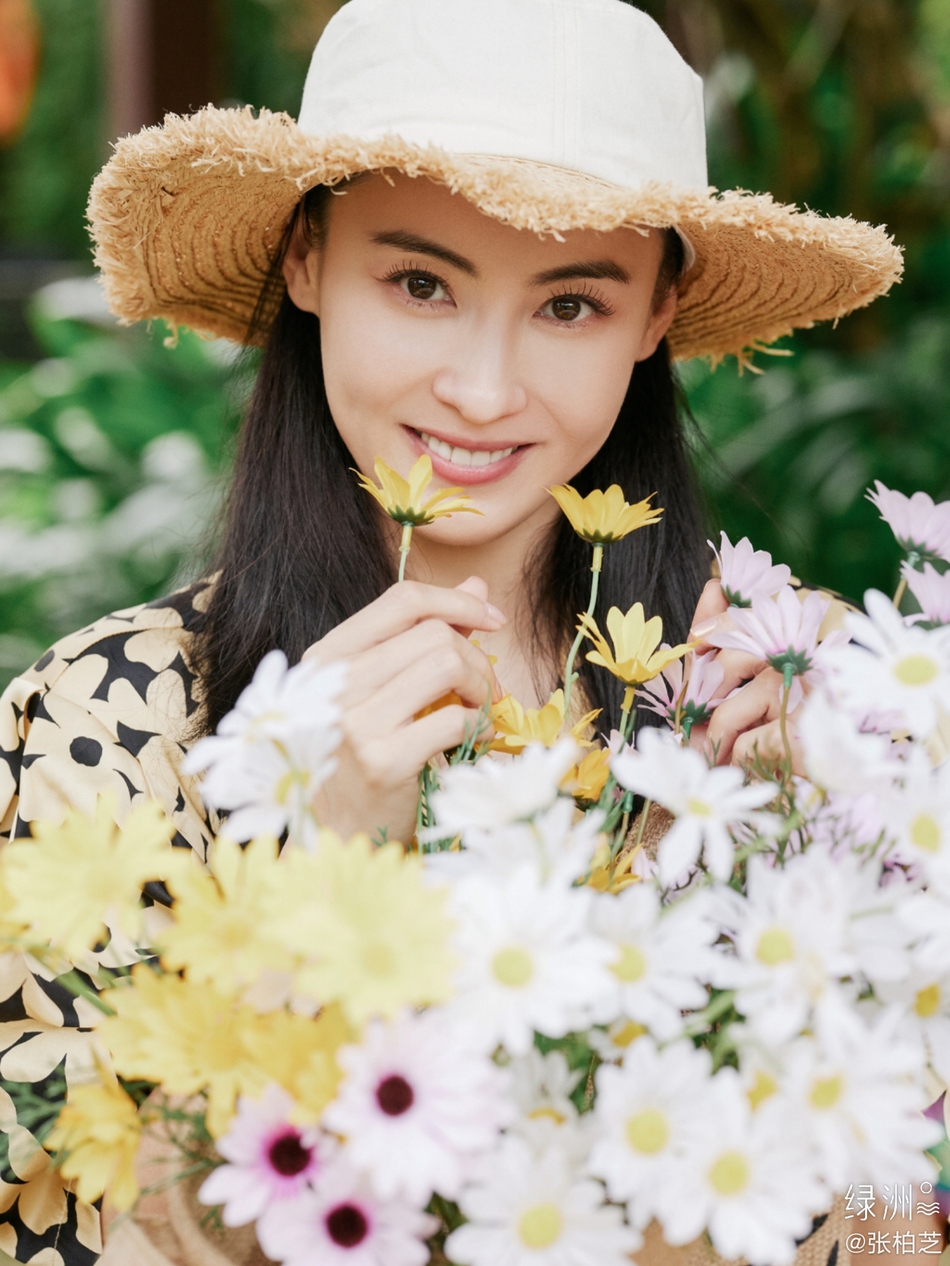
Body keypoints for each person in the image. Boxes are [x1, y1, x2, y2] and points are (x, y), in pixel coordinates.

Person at [0, 0, 901, 1259]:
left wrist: (836, 857)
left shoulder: (786, 704)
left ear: (655, 315)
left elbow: (899, 1219)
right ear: (304, 260)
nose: (482, 389)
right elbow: (58, 1224)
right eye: (419, 282)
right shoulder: (107, 725)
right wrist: (318, 898)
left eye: (571, 306)